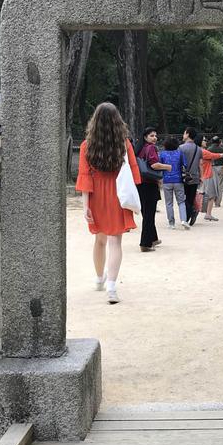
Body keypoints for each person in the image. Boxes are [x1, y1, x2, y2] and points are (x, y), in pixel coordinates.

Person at [75, 102, 140, 304]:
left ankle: (99, 279)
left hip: (96, 196)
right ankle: (111, 287)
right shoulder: (124, 144)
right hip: (117, 194)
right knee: (115, 242)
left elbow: (85, 176)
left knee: (100, 240)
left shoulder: (87, 145)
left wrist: (86, 205)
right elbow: (134, 173)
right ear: (117, 121)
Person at [136, 127, 172, 252]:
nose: (155, 138)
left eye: (155, 135)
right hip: (149, 184)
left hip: (141, 183)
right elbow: (154, 164)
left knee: (146, 213)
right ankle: (145, 244)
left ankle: (153, 238)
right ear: (145, 137)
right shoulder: (151, 148)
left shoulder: (140, 149)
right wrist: (168, 167)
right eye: (152, 135)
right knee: (149, 215)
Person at [158, 137, 190, 230]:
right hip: (178, 180)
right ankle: (184, 220)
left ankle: (171, 223)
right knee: (181, 202)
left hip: (166, 180)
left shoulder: (162, 154)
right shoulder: (180, 153)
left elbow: (159, 166)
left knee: (169, 203)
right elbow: (185, 165)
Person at [179, 127, 203, 226]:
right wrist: (201, 177)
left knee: (183, 198)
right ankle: (190, 215)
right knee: (191, 197)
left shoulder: (181, 148)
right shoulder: (199, 149)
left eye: (184, 133)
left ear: (188, 134)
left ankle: (189, 215)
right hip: (195, 176)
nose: (183, 135)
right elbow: (200, 164)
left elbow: (178, 163)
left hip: (183, 177)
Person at [199, 136, 223, 222]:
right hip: (209, 173)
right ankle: (208, 213)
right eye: (204, 140)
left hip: (204, 173)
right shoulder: (204, 151)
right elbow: (215, 156)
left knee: (207, 193)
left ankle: (207, 212)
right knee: (213, 192)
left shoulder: (205, 149)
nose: (205, 141)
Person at [208, 136, 223, 208]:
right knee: (220, 185)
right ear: (219, 142)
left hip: (212, 167)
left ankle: (213, 200)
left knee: (213, 184)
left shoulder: (209, 149)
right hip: (220, 167)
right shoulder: (222, 149)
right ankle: (218, 202)